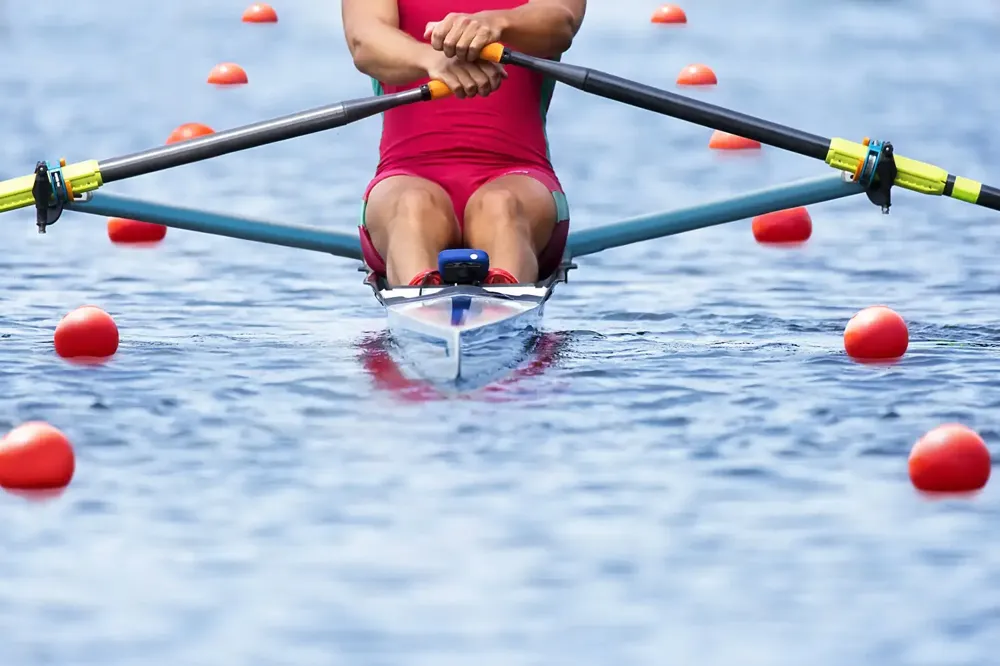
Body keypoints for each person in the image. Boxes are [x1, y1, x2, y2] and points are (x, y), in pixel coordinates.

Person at [342, 0, 587, 286]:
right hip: (403, 180)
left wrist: (495, 23)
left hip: (522, 182)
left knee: (501, 207)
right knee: (412, 207)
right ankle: (432, 308)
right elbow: (365, 41)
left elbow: (561, 22)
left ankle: (493, 308)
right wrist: (433, 60)